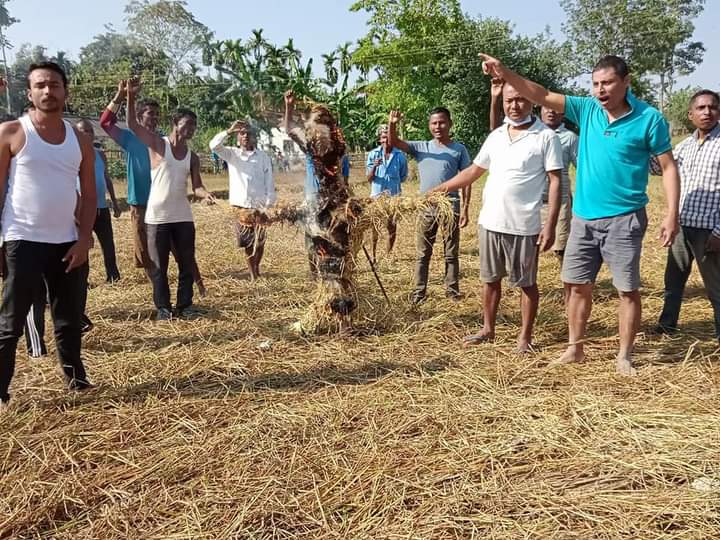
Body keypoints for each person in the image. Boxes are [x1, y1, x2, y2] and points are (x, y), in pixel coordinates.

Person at [478, 53, 680, 376]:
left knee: (626, 289)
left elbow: (668, 167)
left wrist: (672, 214)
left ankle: (624, 355)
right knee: (575, 285)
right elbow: (540, 95)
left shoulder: (649, 119)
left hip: (624, 218)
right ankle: (575, 348)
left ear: (626, 83)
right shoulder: (586, 110)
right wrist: (506, 73)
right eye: (596, 84)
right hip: (583, 220)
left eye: (608, 83)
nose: (600, 90)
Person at [433, 81, 563, 352]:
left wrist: (549, 225)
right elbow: (473, 172)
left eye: (520, 100)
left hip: (525, 225)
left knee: (526, 284)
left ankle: (525, 338)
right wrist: (439, 189)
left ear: (531, 101)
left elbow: (555, 181)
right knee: (490, 280)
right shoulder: (496, 136)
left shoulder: (545, 136)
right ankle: (488, 328)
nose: (514, 106)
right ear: (502, 102)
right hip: (491, 221)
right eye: (508, 101)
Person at [0, 63, 96, 411]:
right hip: (22, 239)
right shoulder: (11, 133)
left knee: (68, 317)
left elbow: (89, 196)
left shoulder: (81, 141)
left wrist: (84, 239)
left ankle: (76, 380)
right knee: (11, 322)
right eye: (40, 85)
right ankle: (1, 392)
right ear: (29, 93)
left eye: (54, 85)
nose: (47, 91)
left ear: (65, 91)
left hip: (66, 242)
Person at [100, 81, 207, 295]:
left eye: (157, 114)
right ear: (139, 117)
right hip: (140, 203)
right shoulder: (130, 138)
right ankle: (159, 291)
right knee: (148, 254)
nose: (154, 117)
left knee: (181, 251)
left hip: (165, 205)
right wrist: (122, 95)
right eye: (150, 113)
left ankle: (199, 286)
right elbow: (105, 122)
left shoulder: (162, 142)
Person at [125, 78, 215, 320]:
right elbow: (132, 123)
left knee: (186, 264)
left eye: (195, 125)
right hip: (157, 218)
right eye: (188, 123)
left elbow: (196, 186)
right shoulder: (158, 144)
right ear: (175, 123)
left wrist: (205, 194)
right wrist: (130, 96)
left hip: (183, 217)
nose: (192, 128)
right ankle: (163, 308)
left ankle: (184, 306)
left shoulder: (192, 157)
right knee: (158, 267)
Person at [387, 107, 472, 303]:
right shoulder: (421, 147)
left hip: (450, 207)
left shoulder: (459, 149)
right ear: (429, 125)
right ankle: (419, 293)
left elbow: (467, 179)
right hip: (426, 208)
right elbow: (394, 142)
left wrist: (465, 208)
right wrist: (392, 124)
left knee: (451, 253)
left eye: (442, 122)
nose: (438, 126)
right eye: (434, 123)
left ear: (450, 124)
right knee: (423, 253)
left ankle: (452, 292)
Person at [654, 90, 720, 340]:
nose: (707, 112)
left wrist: (719, 231)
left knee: (716, 288)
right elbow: (657, 166)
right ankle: (667, 325)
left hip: (710, 230)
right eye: (701, 108)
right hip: (682, 226)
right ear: (690, 115)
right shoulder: (685, 146)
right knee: (673, 281)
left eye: (712, 107)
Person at [491, 77, 579, 261]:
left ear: (563, 114)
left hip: (560, 199)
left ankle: (568, 286)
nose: (551, 113)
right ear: (540, 108)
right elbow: (495, 132)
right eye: (548, 108)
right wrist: (495, 99)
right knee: (532, 246)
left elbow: (581, 167)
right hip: (533, 199)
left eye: (556, 110)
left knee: (561, 246)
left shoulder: (570, 138)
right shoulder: (528, 132)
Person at [209, 120, 276, 281]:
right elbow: (213, 145)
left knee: (260, 242)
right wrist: (229, 131)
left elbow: (269, 181)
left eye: (249, 133)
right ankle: (252, 273)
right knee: (246, 243)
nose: (245, 136)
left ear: (255, 136)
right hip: (240, 207)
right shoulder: (232, 154)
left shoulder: (262, 157)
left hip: (260, 207)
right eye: (242, 133)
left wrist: (268, 205)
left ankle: (257, 267)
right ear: (238, 137)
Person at [75, 120, 121, 282]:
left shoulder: (100, 154)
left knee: (108, 244)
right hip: (82, 210)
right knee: (83, 244)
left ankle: (113, 275)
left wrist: (114, 202)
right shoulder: (72, 155)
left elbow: (106, 179)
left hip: (101, 207)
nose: (87, 134)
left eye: (89, 131)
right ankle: (82, 280)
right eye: (82, 131)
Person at [366, 124, 408, 262]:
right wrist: (374, 167)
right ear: (380, 139)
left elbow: (403, 176)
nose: (386, 140)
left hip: (393, 197)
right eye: (383, 137)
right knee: (375, 228)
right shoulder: (373, 155)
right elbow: (369, 178)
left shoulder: (400, 155)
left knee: (392, 227)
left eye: (389, 137)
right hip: (376, 198)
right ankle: (373, 255)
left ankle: (388, 256)